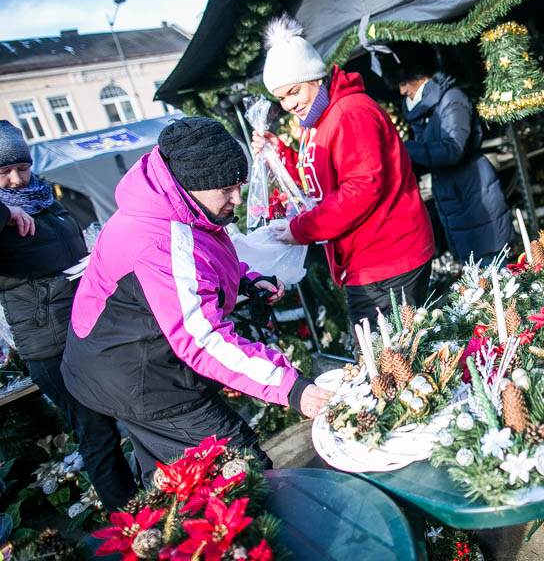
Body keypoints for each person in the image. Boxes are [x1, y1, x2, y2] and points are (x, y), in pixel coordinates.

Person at [62, 117, 331, 487]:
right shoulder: (161, 241)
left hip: (123, 362)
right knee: (239, 468)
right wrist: (291, 387)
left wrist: (244, 279)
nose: (237, 199)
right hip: (140, 375)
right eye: (226, 190)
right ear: (192, 185)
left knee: (181, 482)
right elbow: (202, 339)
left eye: (239, 186)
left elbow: (200, 260)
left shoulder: (169, 203)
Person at [251, 15, 435, 328]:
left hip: (386, 257)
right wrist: (279, 154)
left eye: (294, 91)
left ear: (314, 77)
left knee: (386, 353)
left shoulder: (350, 113)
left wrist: (301, 229)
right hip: (367, 259)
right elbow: (318, 181)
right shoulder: (317, 119)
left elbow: (359, 190)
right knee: (379, 351)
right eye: (281, 98)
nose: (289, 104)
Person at [0, 120, 136, 511]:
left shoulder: (45, 199)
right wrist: (4, 210)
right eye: (4, 171)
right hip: (50, 346)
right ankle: (130, 518)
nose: (16, 179)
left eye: (22, 168)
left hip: (87, 327)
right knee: (96, 432)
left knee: (128, 414)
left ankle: (155, 499)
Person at [382, 43, 514, 266]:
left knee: (493, 268)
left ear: (420, 75)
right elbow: (428, 150)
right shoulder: (426, 109)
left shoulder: (452, 99)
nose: (402, 91)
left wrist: (404, 148)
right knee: (477, 272)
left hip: (473, 194)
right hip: (456, 198)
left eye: (404, 83)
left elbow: (452, 150)